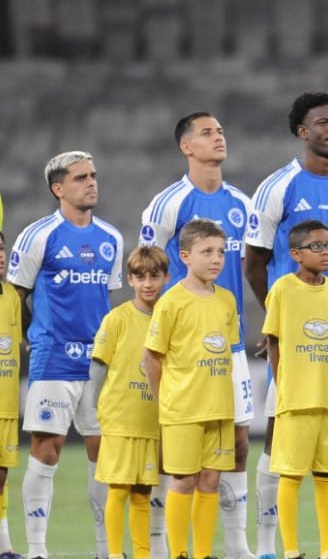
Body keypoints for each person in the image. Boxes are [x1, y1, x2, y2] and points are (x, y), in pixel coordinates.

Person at [245, 91, 328, 559]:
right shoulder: (278, 187)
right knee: (280, 432)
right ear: (303, 131)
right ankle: (267, 546)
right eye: (323, 122)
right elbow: (254, 263)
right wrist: (282, 318)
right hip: (297, 340)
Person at [140, 112, 255, 559]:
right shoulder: (167, 203)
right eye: (207, 132)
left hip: (229, 342)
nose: (218, 136)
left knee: (237, 445)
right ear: (186, 146)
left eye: (221, 130)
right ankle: (168, 547)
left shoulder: (242, 205)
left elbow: (250, 265)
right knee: (180, 466)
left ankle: (236, 545)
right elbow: (148, 267)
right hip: (185, 346)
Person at [9, 151, 124, 559]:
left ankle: (105, 549)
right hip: (53, 359)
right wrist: (30, 338)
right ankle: (38, 549)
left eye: (93, 175)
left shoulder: (112, 238)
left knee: (103, 454)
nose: (91, 182)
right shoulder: (39, 235)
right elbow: (14, 296)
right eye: (80, 178)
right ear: (59, 188)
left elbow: (105, 302)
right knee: (47, 448)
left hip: (98, 365)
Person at [143, 219, 239, 559]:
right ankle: (178, 553)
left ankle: (202, 553)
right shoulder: (172, 302)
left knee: (211, 479)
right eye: (207, 252)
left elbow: (223, 350)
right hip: (183, 408)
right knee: (183, 480)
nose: (216, 259)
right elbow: (151, 357)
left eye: (221, 252)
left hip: (219, 406)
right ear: (185, 255)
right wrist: (164, 398)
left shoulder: (227, 300)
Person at [263, 221, 328, 559]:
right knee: (291, 474)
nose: (326, 251)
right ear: (296, 254)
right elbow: (274, 341)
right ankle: (291, 551)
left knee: (327, 474)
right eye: (317, 246)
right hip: (296, 399)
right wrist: (284, 383)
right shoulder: (283, 289)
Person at [91, 246, 169, 559]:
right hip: (120, 418)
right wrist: (92, 409)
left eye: (154, 276)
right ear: (130, 279)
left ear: (166, 277)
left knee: (143, 491)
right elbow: (98, 366)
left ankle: (141, 553)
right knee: (119, 488)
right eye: (140, 276)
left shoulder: (169, 317)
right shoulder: (117, 319)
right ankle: (113, 554)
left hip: (151, 420)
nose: (147, 283)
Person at [0, 230, 23, 559]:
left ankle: (4, 546)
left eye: (2, 249)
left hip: (5, 404)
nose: (1, 255)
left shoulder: (11, 296)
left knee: (2, 475)